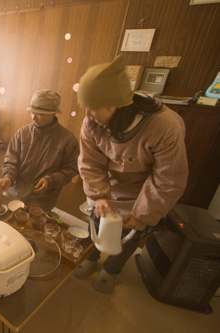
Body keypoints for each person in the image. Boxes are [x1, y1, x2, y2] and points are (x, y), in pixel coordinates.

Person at [74, 55, 188, 292]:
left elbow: (169, 179)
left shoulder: (165, 126)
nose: (89, 113)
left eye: (94, 107)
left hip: (143, 193)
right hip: (109, 186)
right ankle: (91, 257)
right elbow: (90, 163)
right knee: (96, 223)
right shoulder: (92, 123)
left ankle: (111, 270)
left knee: (127, 238)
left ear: (117, 103)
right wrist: (99, 196)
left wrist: (144, 214)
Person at [0, 90, 79, 211]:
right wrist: (8, 177)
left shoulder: (68, 140)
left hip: (42, 200)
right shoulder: (22, 133)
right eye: (32, 112)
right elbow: (11, 159)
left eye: (40, 114)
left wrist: (50, 180)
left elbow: (71, 169)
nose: (34, 117)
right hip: (14, 195)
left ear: (53, 114)